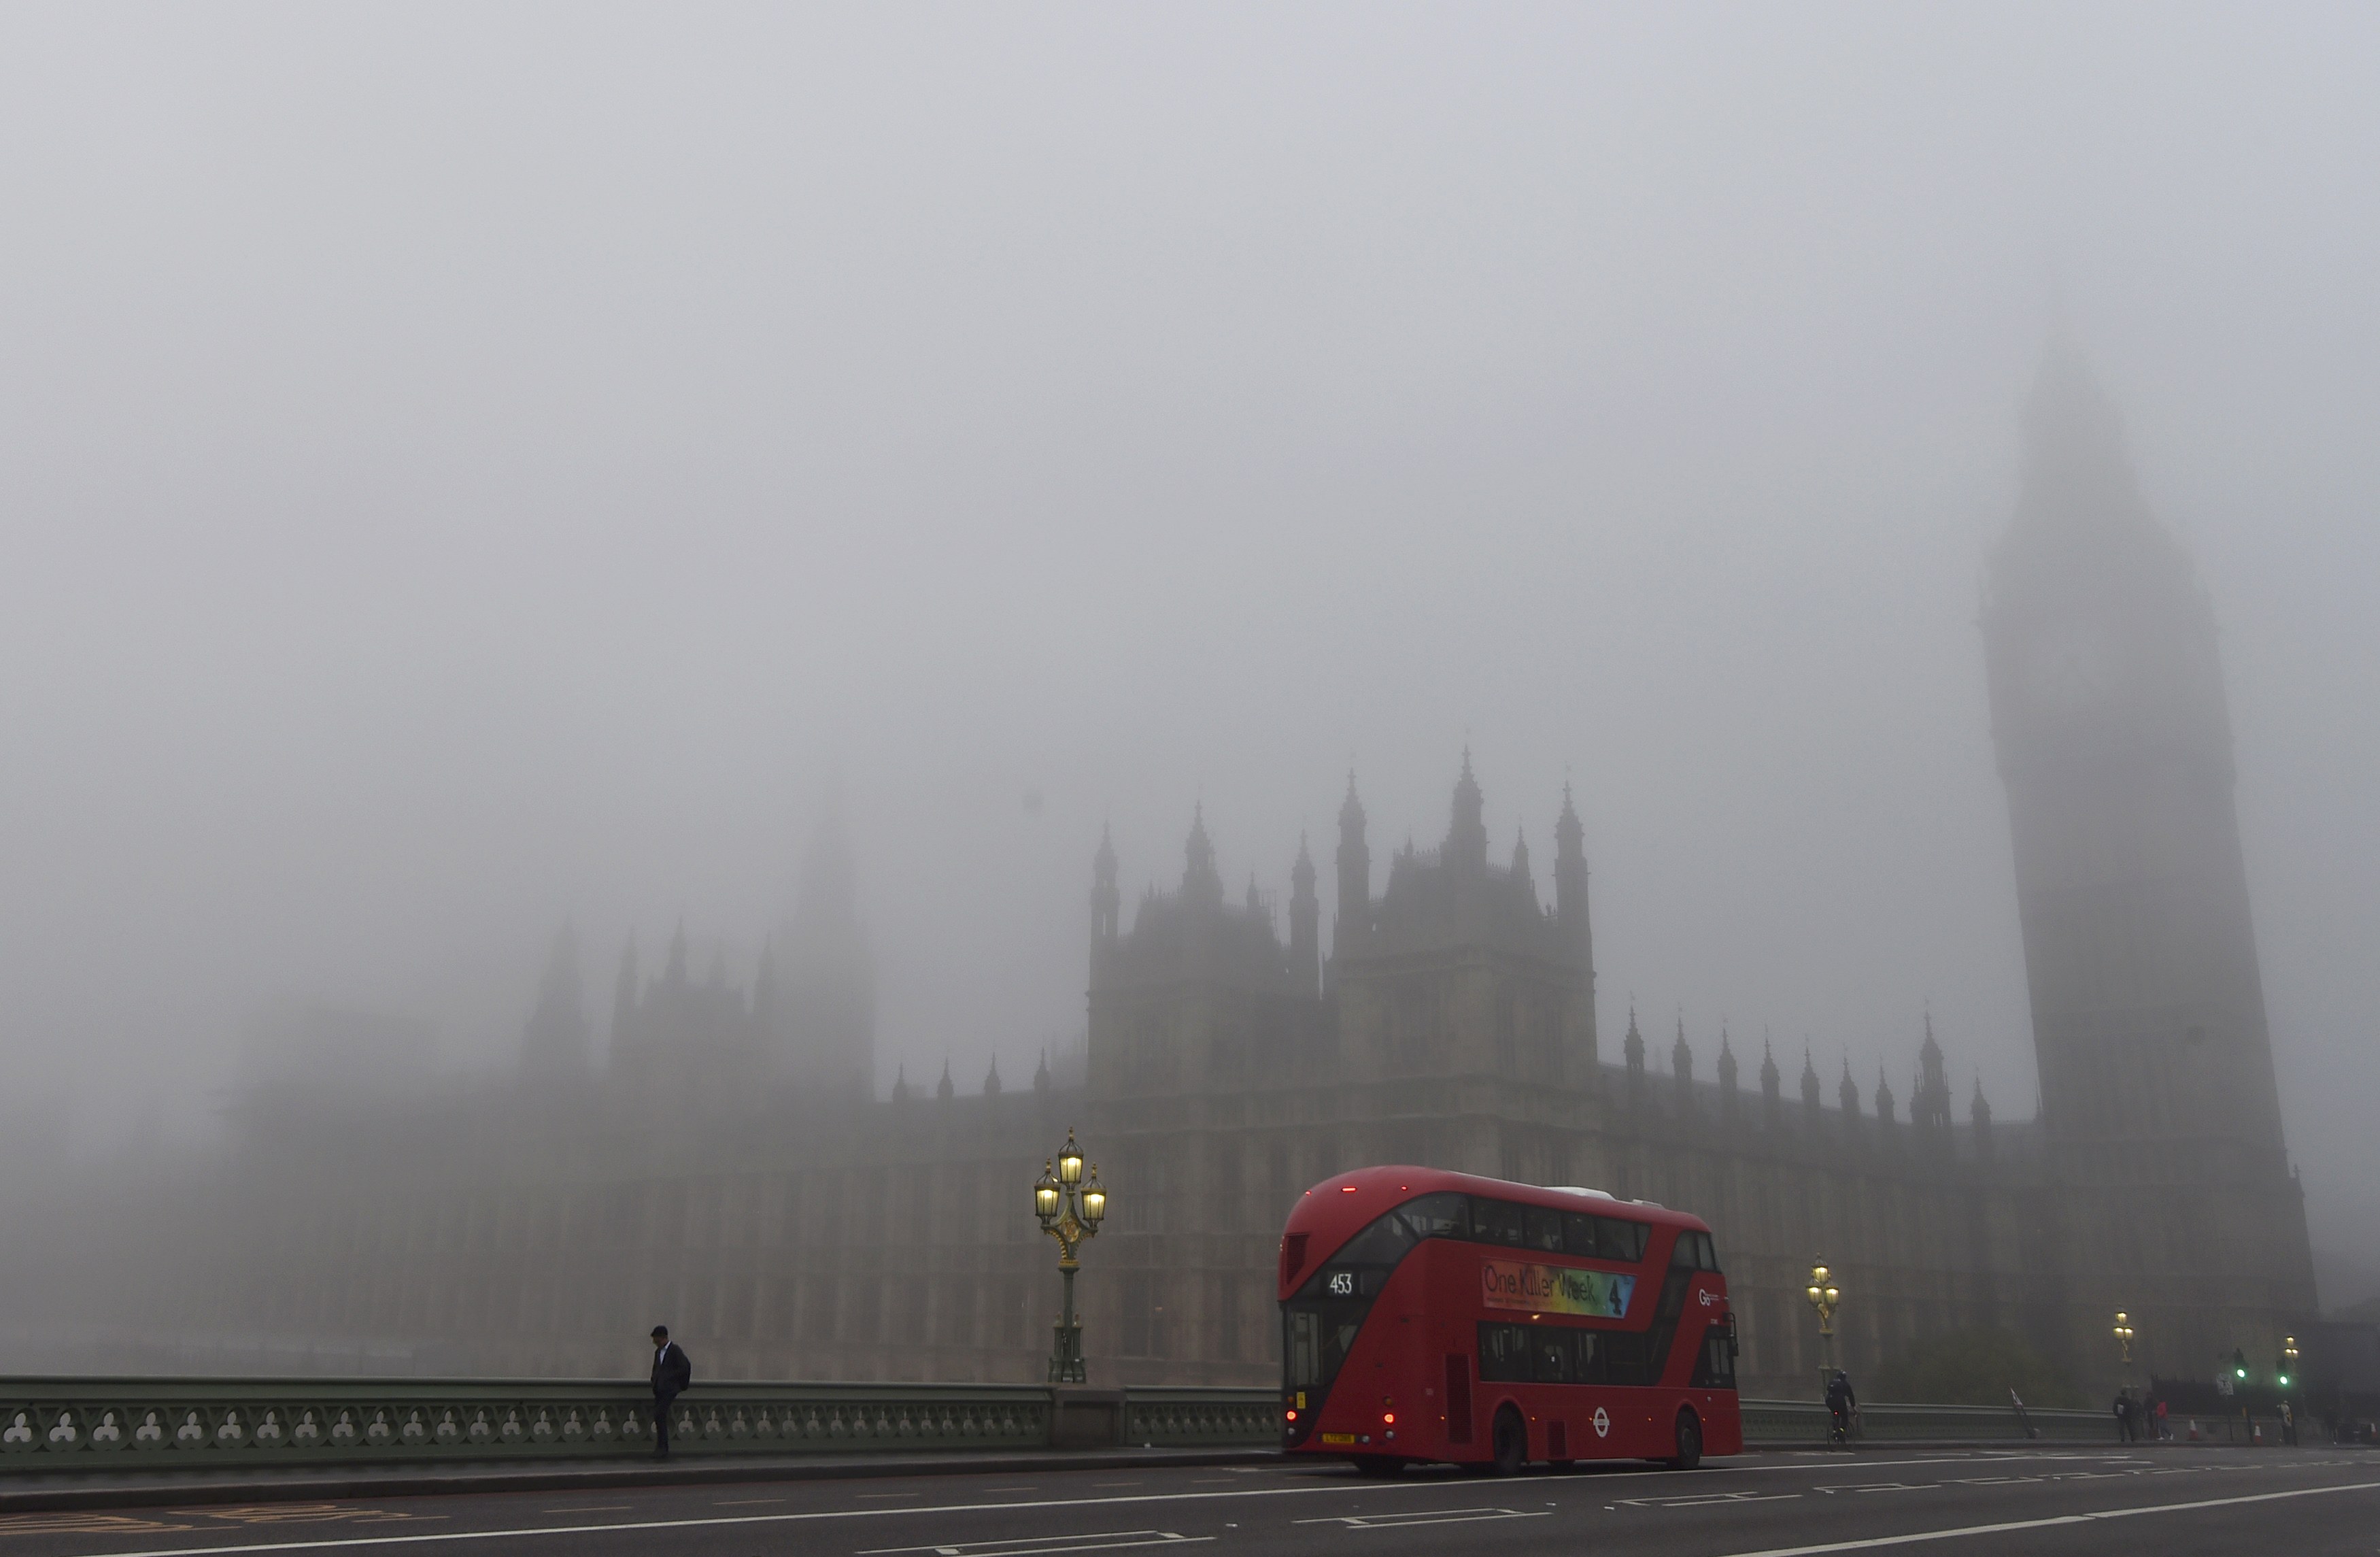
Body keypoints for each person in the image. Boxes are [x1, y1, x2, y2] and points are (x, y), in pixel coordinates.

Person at [650, 1324, 692, 1459]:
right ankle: (661, 1447)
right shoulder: (658, 1352)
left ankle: (663, 1448)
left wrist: (669, 1377)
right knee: (659, 1417)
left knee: (659, 1414)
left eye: (656, 1339)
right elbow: (656, 1368)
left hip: (670, 1390)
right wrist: (655, 1380)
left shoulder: (675, 1350)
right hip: (660, 1389)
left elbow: (685, 1367)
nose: (654, 1342)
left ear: (663, 1338)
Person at [1824, 1370, 1856, 1447]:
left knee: (1836, 1414)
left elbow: (1828, 1389)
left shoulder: (1832, 1382)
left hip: (1829, 1401)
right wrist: (1853, 1406)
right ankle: (1841, 1431)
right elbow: (1851, 1397)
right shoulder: (1845, 1384)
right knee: (1845, 1417)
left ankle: (1835, 1431)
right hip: (1839, 1402)